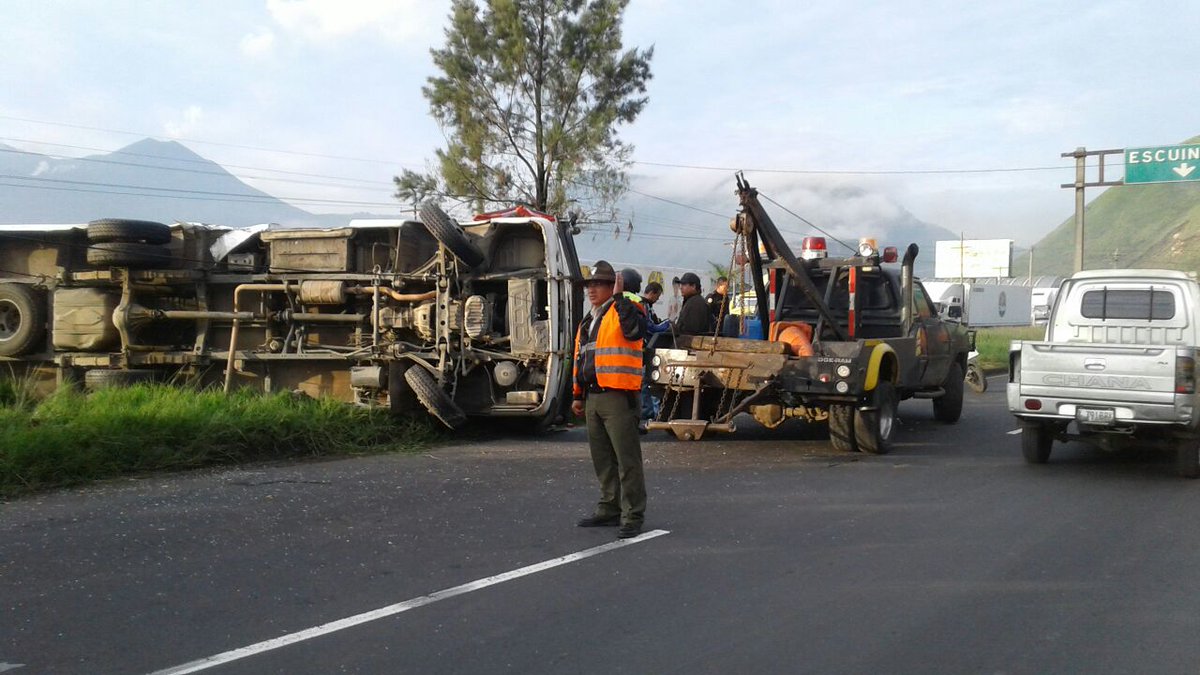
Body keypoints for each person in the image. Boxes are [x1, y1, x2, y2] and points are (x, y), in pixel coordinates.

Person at [572, 260, 648, 539]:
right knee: (602, 459)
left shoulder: (626, 308)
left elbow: (635, 331)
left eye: (598, 284)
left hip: (619, 396)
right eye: (589, 285)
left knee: (627, 460)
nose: (591, 290)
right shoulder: (589, 320)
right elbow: (581, 358)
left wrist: (619, 297)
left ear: (613, 286)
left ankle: (633, 515)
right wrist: (578, 395)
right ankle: (609, 507)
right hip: (593, 396)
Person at [671, 272, 712, 336]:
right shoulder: (692, 300)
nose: (681, 287)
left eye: (684, 284)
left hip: (690, 342)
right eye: (681, 284)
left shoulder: (696, 303)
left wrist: (674, 328)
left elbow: (691, 329)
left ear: (693, 286)